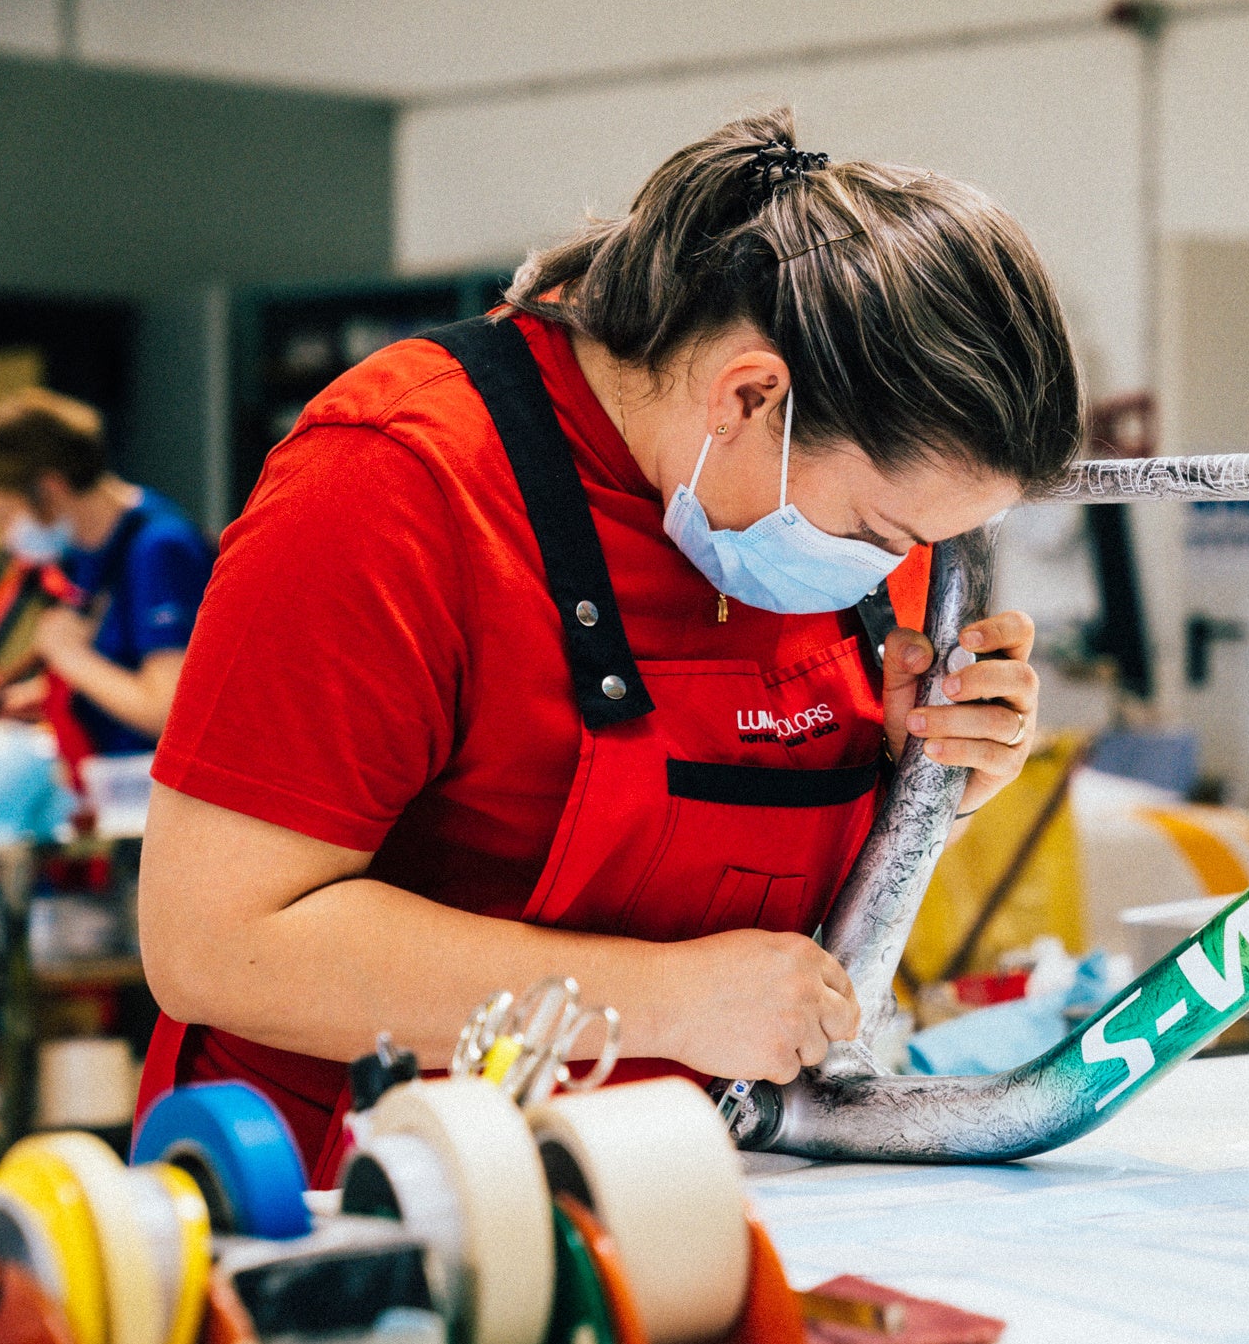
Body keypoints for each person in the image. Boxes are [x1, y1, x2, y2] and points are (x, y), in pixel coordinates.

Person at [135, 110, 1083, 1182]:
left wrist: (923, 791)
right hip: (356, 1200)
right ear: (749, 393)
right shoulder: (395, 485)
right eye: (879, 534)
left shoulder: (828, 510)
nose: (893, 567)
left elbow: (765, 915)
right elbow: (216, 942)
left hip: (678, 1188)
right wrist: (666, 1002)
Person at [0, 388, 213, 755]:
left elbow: (169, 713)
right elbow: (120, 668)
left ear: (50, 489)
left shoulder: (159, 548)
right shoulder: (82, 553)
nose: (6, 538)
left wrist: (69, 656)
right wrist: (31, 699)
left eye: (5, 516)